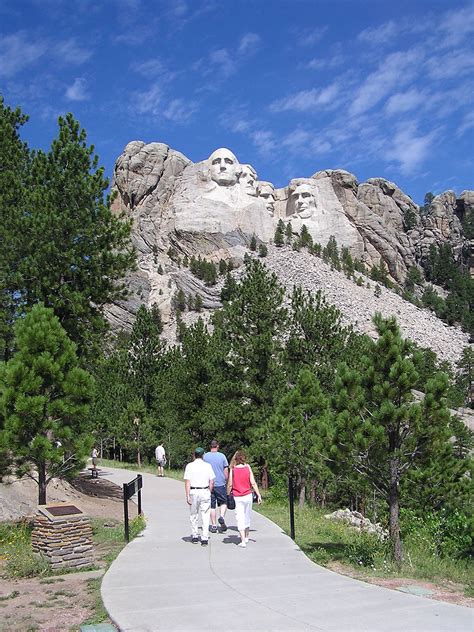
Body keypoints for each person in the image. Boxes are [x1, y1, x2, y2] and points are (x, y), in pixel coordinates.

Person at [227, 450, 262, 547]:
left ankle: (242, 540)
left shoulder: (233, 470)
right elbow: (253, 482)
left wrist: (227, 494)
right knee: (247, 515)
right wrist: (258, 495)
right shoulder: (248, 467)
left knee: (240, 517)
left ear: (236, 459)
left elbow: (230, 484)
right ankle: (246, 536)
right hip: (248, 495)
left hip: (238, 496)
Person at [184, 447, 215, 546]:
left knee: (194, 514)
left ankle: (194, 535)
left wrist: (187, 495)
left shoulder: (189, 466)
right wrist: (209, 491)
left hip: (194, 491)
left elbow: (187, 481)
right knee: (205, 514)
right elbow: (212, 481)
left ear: (194, 455)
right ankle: (205, 537)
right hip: (204, 490)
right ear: (203, 455)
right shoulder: (208, 466)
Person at [204, 440, 229, 533]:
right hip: (220, 483)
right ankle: (221, 517)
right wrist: (226, 480)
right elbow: (225, 470)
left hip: (209, 484)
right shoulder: (222, 456)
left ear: (210, 446)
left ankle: (214, 525)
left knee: (212, 505)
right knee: (223, 502)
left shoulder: (205, 456)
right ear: (217, 446)